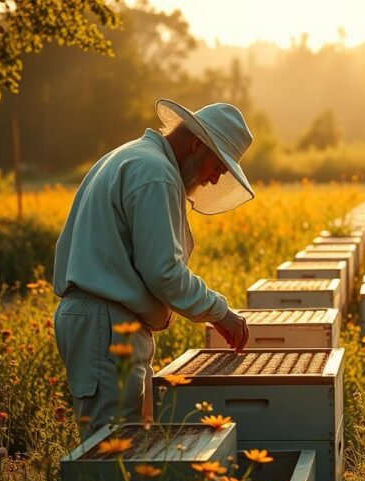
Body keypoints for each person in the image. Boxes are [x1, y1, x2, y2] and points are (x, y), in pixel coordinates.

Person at [52, 99, 252, 437]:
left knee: (129, 445)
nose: (216, 180)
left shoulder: (132, 157)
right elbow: (163, 273)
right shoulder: (155, 173)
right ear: (197, 145)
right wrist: (221, 312)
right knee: (112, 454)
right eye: (218, 166)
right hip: (107, 323)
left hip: (106, 321)